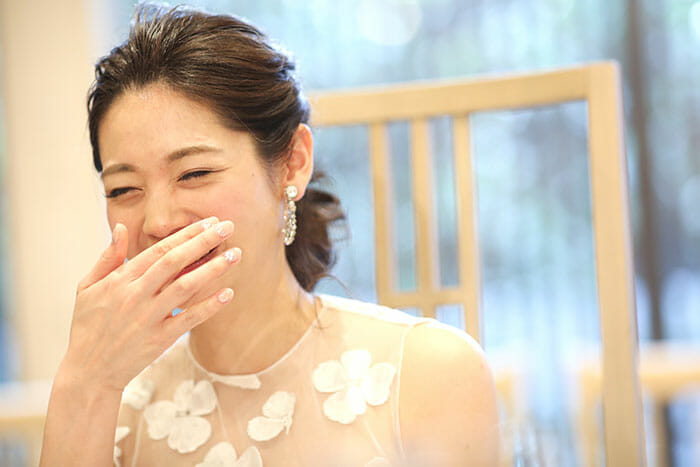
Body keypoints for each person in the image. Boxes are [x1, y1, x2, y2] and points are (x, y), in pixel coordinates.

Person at [39, 4, 499, 466]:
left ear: (293, 163)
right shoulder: (117, 412)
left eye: (194, 173)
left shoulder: (427, 373)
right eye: (123, 189)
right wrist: (85, 384)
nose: (157, 222)